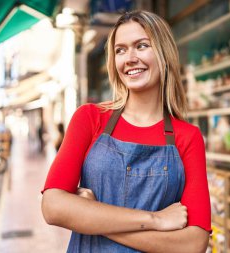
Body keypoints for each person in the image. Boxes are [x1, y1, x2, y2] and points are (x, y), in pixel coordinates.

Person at [42, 10, 211, 252]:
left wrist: (92, 217)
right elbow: (53, 207)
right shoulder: (89, 118)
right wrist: (156, 220)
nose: (129, 58)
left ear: (164, 54)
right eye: (120, 50)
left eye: (141, 46)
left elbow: (194, 243)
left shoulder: (188, 137)